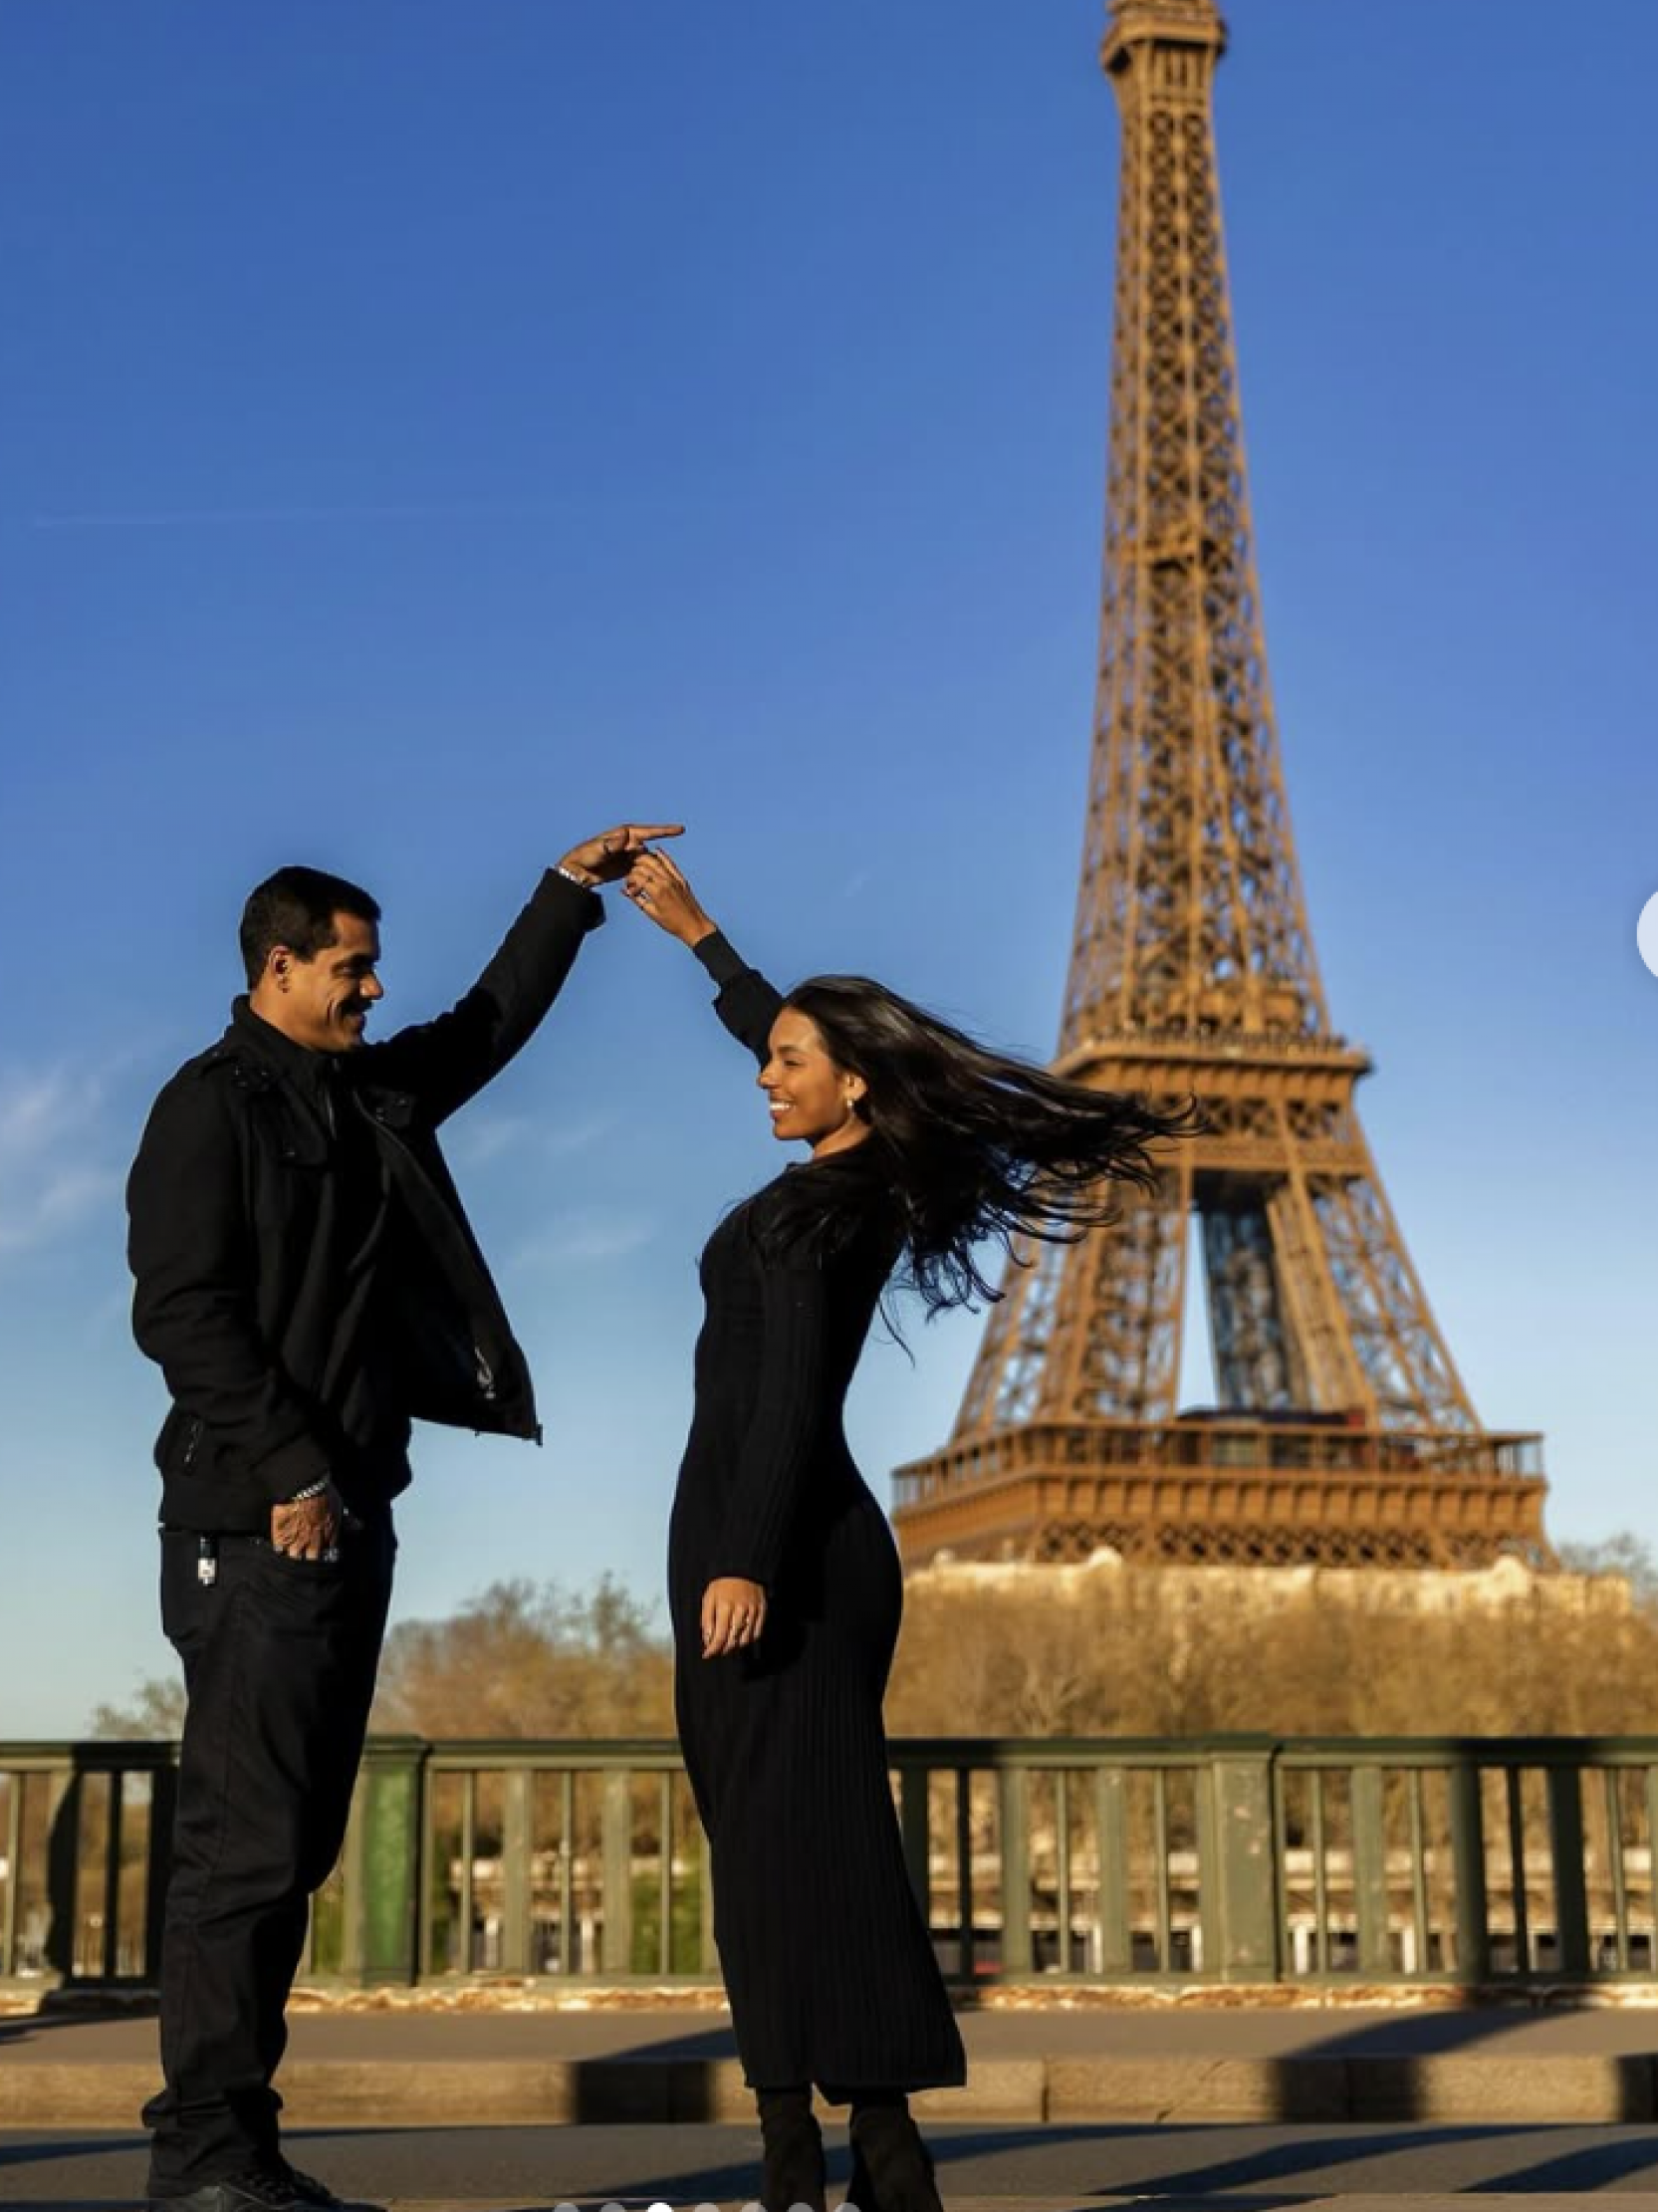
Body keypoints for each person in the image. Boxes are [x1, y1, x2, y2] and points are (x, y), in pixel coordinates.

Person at [622, 850, 1188, 2212]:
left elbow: (796, 1398)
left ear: (854, 1083)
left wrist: (747, 1556)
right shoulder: (847, 1172)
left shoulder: (829, 1209)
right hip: (765, 1526)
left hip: (778, 1534)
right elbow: (786, 1032)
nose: (767, 1072)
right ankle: (862, 2149)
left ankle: (807, 2154)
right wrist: (703, 938)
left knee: (785, 1843)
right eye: (770, 1054)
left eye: (792, 1061)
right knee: (794, 1837)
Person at [125, 825, 677, 2212]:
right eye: (353, 969)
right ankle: (204, 2157)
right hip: (256, 1523)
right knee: (244, 1849)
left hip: (348, 1510)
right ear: (280, 965)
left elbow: (486, 1027)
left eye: (375, 970)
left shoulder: (368, 1098)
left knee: (290, 1846)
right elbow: (179, 1313)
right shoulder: (210, 1106)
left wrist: (565, 894)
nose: (374, 990)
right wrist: (291, 1470)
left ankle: (235, 2147)